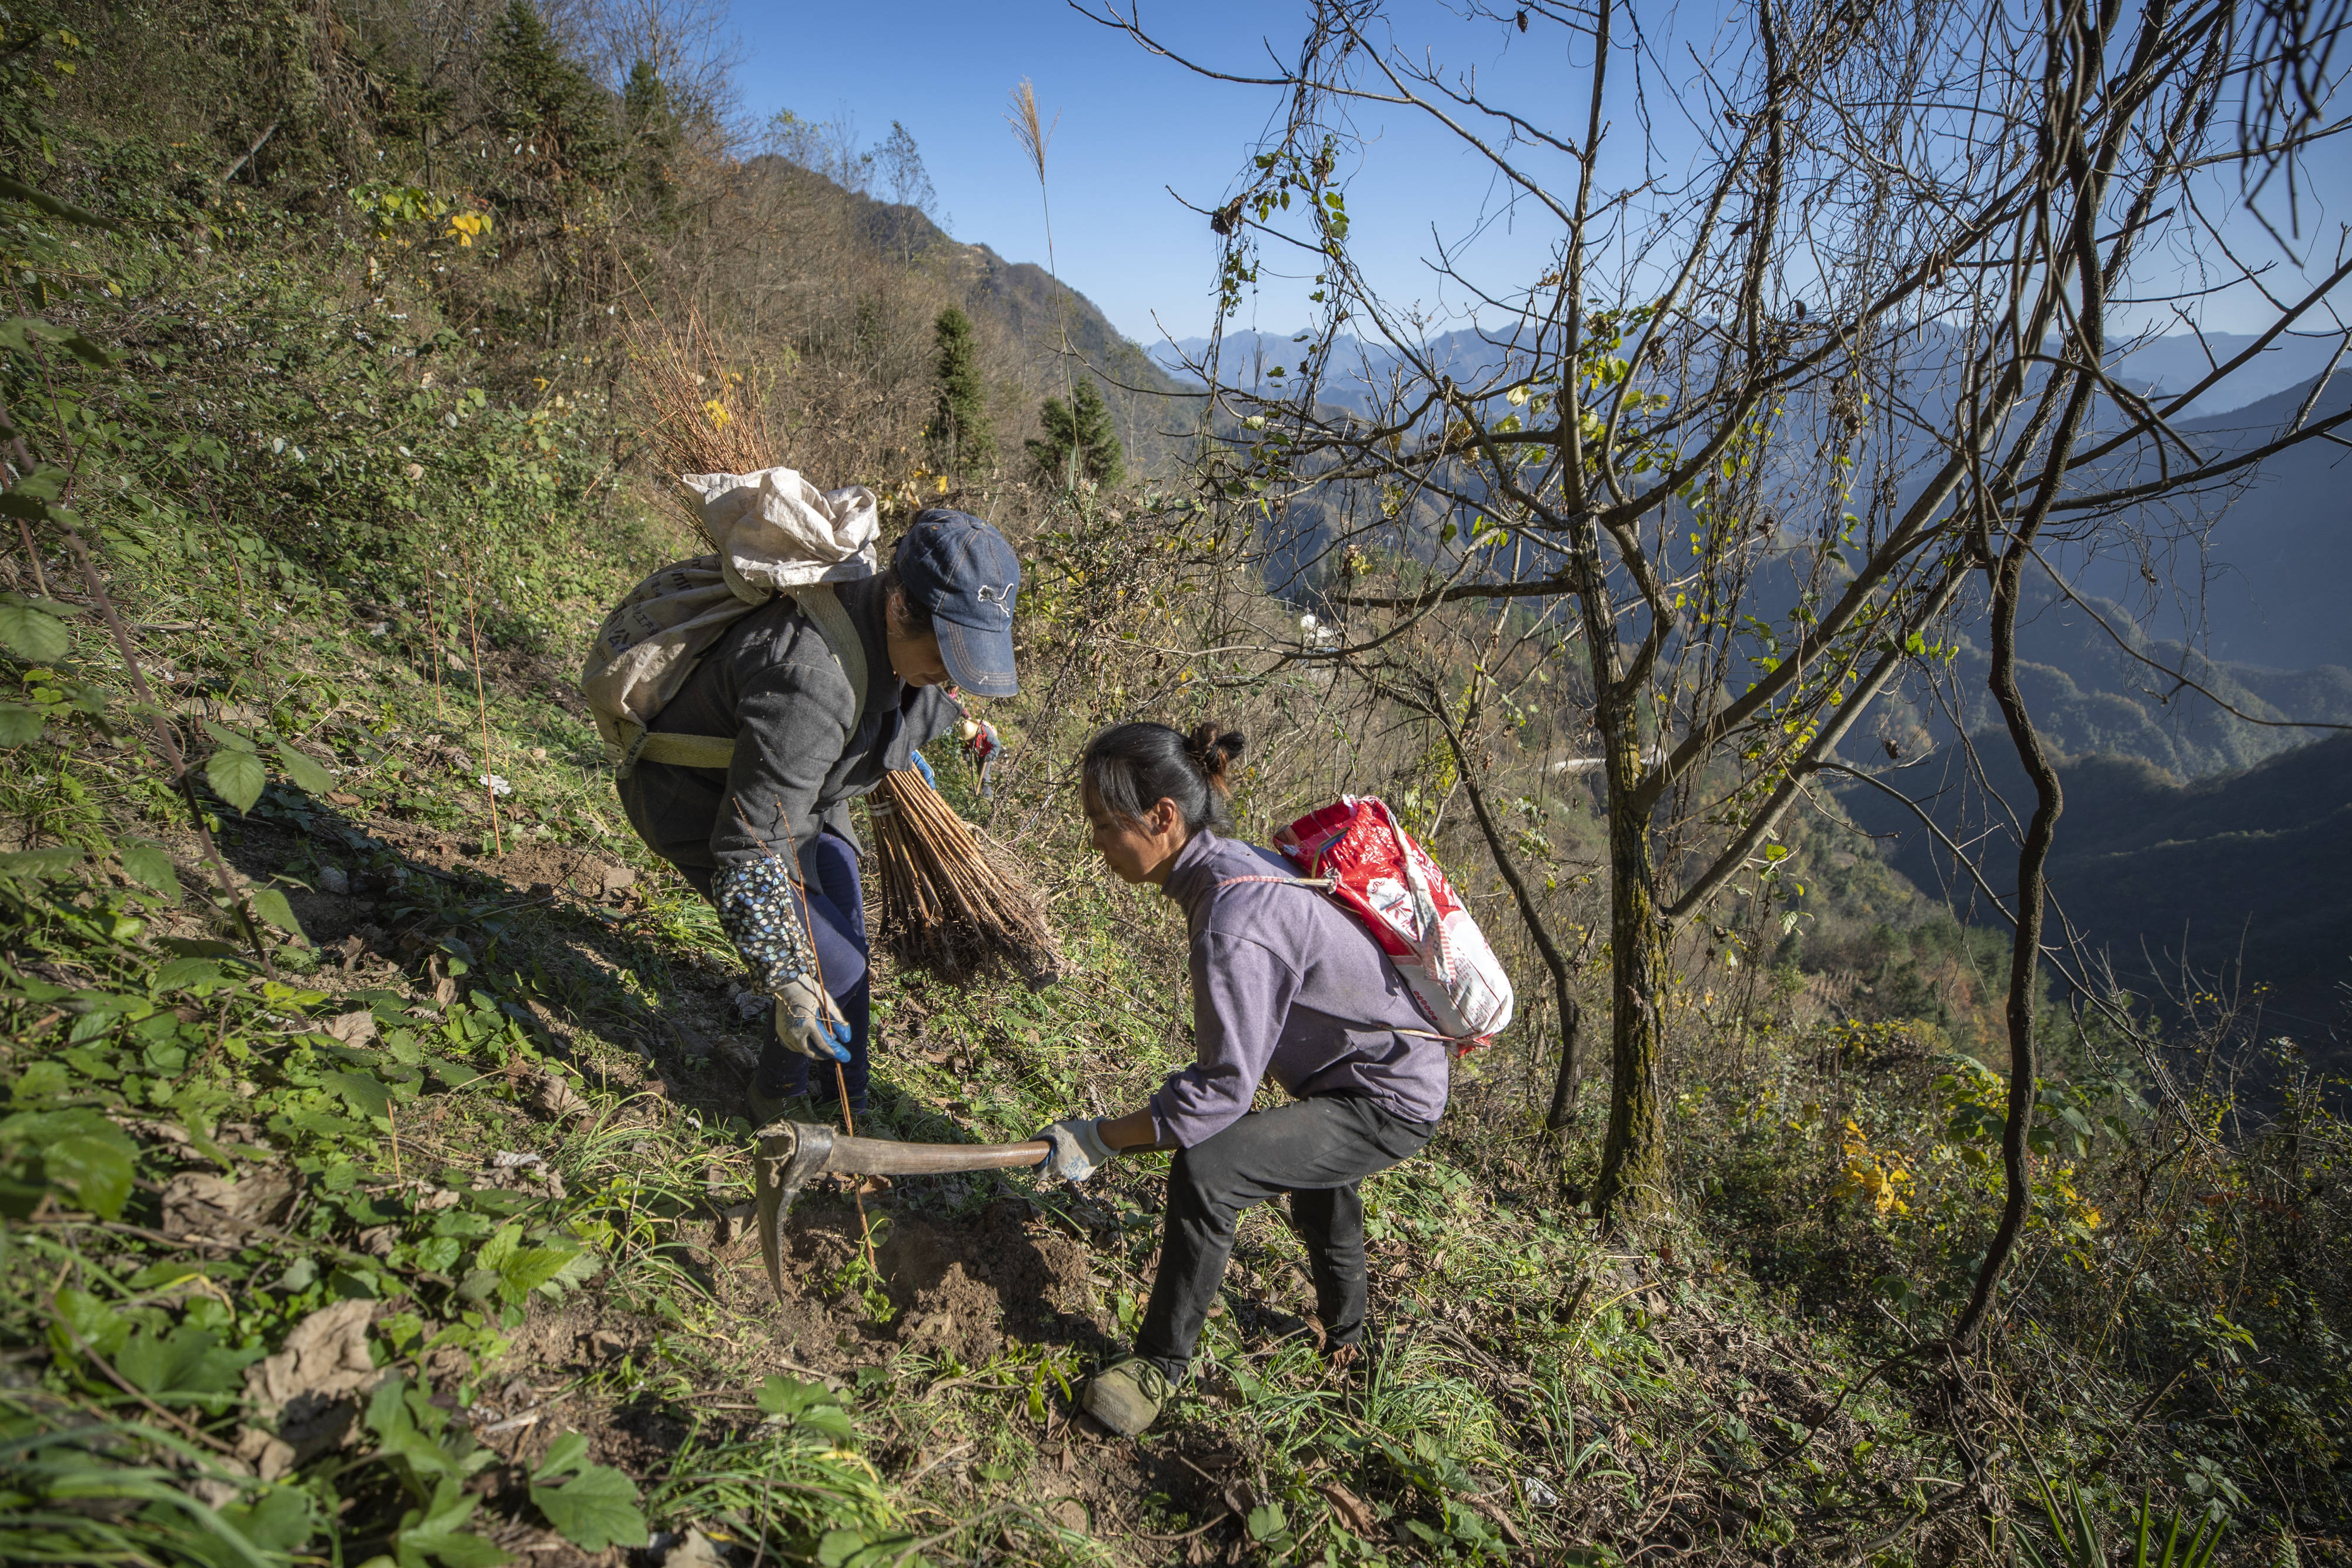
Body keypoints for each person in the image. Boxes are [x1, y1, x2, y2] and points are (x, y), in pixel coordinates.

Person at [1034, 721, 1449, 1436]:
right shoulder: (1230, 865)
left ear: (1163, 818)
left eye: (1106, 825)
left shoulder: (1231, 916)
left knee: (1212, 1169)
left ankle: (1158, 1366)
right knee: (1317, 1185)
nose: (1096, 842)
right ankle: (1350, 1341)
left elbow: (1220, 1096)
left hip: (1391, 1094)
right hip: (1370, 1070)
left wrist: (1098, 1139)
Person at [617, 508, 1020, 1121]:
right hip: (701, 799)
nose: (952, 673)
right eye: (946, 651)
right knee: (832, 962)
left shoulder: (887, 623)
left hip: (806, 797)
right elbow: (750, 844)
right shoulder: (811, 681)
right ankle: (777, 1108)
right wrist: (785, 973)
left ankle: (845, 1103)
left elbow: (895, 709)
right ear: (898, 606)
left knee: (847, 938)